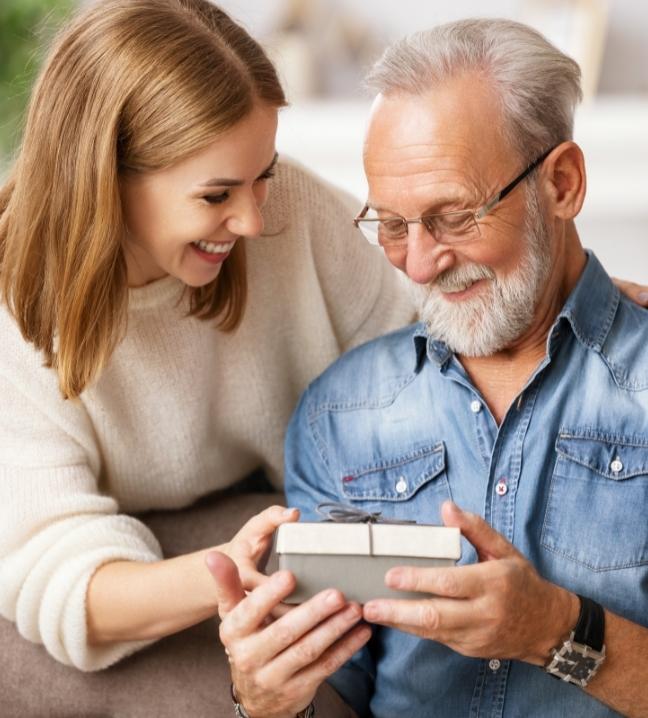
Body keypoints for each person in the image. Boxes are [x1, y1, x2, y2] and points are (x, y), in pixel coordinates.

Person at [211, 18, 648, 718]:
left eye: (454, 215)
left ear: (562, 184)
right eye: (390, 223)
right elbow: (336, 697)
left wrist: (560, 632)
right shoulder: (338, 415)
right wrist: (263, 699)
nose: (418, 263)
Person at [0, 0, 415, 681]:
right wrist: (245, 566)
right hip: (149, 572)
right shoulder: (11, 313)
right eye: (217, 195)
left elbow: (425, 304)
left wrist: (572, 290)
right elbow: (60, 576)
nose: (252, 220)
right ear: (106, 179)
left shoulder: (290, 214)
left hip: (278, 522)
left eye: (264, 176)